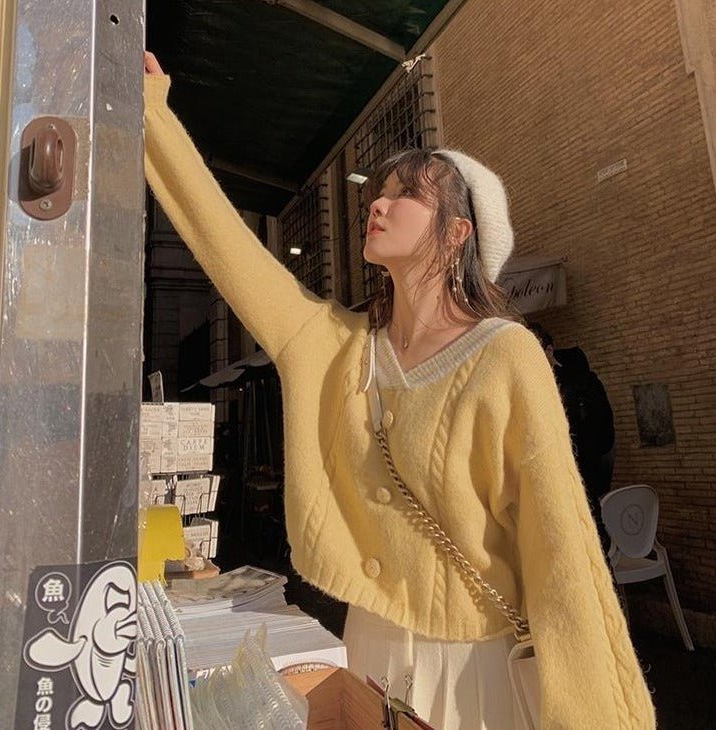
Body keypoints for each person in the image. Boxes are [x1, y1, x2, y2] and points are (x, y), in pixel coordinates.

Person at [144, 52, 655, 729]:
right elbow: (229, 250)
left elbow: (560, 547)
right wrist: (151, 116)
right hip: (368, 651)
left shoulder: (504, 355)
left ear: (457, 233)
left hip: (476, 676)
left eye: (405, 194)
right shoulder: (332, 345)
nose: (377, 203)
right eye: (377, 192)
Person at [528, 323, 616, 544]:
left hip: (582, 478)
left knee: (591, 541)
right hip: (551, 485)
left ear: (549, 350)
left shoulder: (582, 382)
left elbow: (605, 434)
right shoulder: (531, 384)